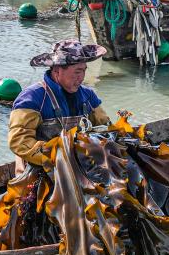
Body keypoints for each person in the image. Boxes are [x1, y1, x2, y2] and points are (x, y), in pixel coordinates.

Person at [8, 40, 110, 170]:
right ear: (57, 71)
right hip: (40, 168)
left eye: (84, 71)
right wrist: (56, 158)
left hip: (79, 164)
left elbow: (105, 127)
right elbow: (19, 142)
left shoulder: (88, 95)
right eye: (77, 72)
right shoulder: (31, 98)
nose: (82, 77)